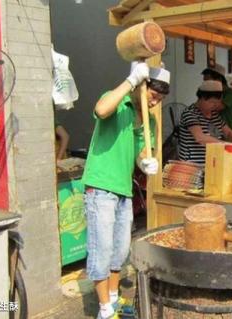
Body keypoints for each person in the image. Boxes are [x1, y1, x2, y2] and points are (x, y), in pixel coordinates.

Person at [82, 61, 170, 319]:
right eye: (154, 96)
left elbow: (142, 152)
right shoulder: (118, 102)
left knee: (120, 250)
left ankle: (113, 299)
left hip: (124, 189)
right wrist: (131, 81)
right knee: (101, 248)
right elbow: (100, 110)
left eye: (160, 99)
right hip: (101, 185)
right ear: (142, 87)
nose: (155, 102)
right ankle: (104, 310)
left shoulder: (148, 121)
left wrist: (145, 161)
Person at [178, 80, 232, 165]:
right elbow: (200, 137)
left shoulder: (214, 115)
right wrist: (225, 145)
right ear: (201, 98)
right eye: (212, 102)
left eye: (218, 102)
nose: (215, 105)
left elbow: (228, 133)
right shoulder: (190, 113)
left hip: (212, 165)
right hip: (192, 167)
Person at [202, 64, 232, 133]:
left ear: (219, 79)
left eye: (208, 81)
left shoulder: (231, 94)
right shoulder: (208, 94)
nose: (205, 84)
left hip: (229, 137)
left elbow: (214, 107)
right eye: (204, 81)